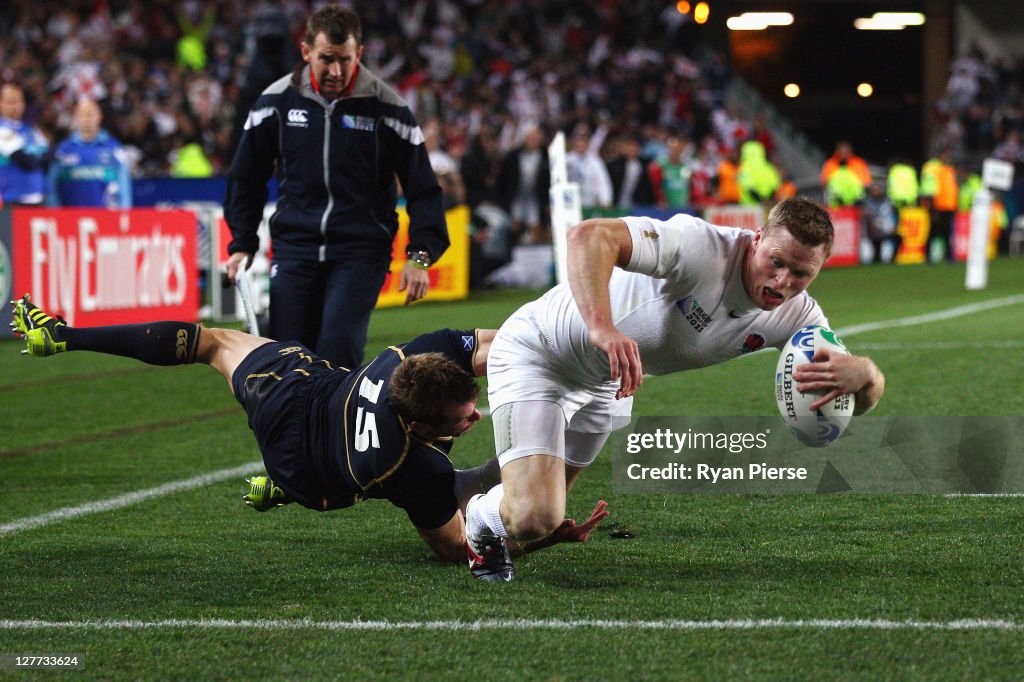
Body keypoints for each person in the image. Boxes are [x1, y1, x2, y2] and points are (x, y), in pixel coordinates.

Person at [464, 197, 886, 581]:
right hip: (540, 351)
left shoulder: (800, 317)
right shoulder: (700, 247)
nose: (782, 281)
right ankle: (481, 515)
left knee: (542, 525)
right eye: (775, 261)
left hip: (607, 381)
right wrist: (602, 328)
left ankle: (501, 498)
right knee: (534, 517)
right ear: (756, 240)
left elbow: (850, 405)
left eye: (801, 273)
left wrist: (866, 375)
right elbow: (588, 235)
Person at [11, 294, 607, 564]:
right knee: (465, 483)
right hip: (306, 470)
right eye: (462, 418)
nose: (475, 417)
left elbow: (497, 348)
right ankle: (278, 487)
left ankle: (63, 335)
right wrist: (540, 531)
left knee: (211, 341)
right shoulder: (413, 466)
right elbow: (456, 546)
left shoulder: (415, 355)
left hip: (291, 389)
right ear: (421, 426)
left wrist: (566, 356)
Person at [224, 6, 449, 371]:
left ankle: (335, 427)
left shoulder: (388, 109)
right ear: (306, 52)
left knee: (336, 349)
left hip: (360, 252)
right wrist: (242, 243)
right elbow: (245, 177)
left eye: (345, 60)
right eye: (326, 59)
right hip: (295, 248)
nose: (336, 71)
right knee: (288, 355)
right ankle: (295, 429)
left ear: (358, 54)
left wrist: (420, 257)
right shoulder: (275, 103)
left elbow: (424, 188)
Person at [47, 98, 133, 209]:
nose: (87, 119)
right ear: (75, 118)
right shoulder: (63, 150)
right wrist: (55, 213)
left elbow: (124, 185)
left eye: (91, 114)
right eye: (83, 115)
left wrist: (124, 213)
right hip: (70, 218)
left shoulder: (113, 149)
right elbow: (52, 186)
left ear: (100, 117)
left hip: (105, 217)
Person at [0, 82, 51, 206]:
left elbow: (49, 157)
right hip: (12, 198)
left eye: (18, 101)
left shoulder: (31, 130)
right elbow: (26, 161)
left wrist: (36, 156)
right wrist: (37, 154)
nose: (15, 106)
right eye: (10, 102)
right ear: (1, 104)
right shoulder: (2, 129)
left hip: (37, 197)